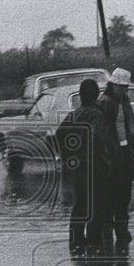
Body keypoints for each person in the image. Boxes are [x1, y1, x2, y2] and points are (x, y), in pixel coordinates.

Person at [55, 78, 110, 252]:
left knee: (80, 204)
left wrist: (69, 157)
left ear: (81, 95)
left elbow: (59, 134)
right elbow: (98, 138)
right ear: (96, 95)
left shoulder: (75, 114)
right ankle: (94, 241)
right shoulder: (96, 114)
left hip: (78, 166)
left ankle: (76, 239)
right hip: (94, 165)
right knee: (96, 204)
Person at [99, 67, 134, 253]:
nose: (125, 91)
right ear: (113, 86)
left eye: (126, 88)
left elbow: (130, 125)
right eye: (122, 87)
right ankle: (109, 232)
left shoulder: (123, 101)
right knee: (112, 195)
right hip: (113, 155)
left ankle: (122, 231)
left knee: (124, 196)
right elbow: (104, 131)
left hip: (125, 152)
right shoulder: (106, 102)